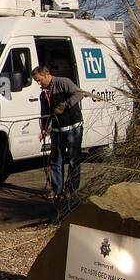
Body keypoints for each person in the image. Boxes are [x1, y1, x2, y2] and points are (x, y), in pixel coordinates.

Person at [33, 64, 86, 199]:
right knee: (56, 160)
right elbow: (44, 113)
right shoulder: (43, 94)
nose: (39, 83)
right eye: (36, 81)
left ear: (47, 75)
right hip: (57, 130)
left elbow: (79, 93)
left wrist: (65, 105)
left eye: (39, 80)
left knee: (74, 159)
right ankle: (57, 190)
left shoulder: (63, 82)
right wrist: (44, 129)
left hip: (73, 127)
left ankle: (71, 190)